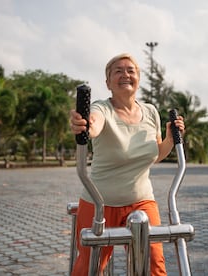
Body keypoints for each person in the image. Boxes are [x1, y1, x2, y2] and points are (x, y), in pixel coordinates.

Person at [69, 53, 185, 275]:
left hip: (141, 200)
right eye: (118, 71)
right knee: (89, 267)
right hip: (100, 202)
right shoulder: (101, 109)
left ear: (138, 78)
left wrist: (170, 138)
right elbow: (93, 124)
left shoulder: (150, 111)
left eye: (130, 70)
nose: (125, 74)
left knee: (154, 265)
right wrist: (84, 125)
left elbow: (156, 154)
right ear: (108, 82)